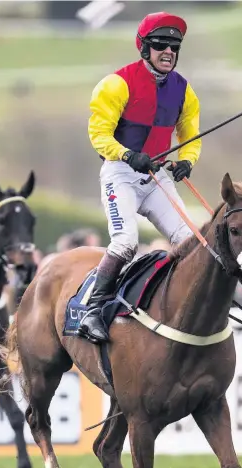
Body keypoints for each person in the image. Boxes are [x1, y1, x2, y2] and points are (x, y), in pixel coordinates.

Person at [77, 11, 202, 344]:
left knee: (190, 243)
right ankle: (92, 309)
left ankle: (186, 309)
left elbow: (191, 134)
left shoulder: (183, 91)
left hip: (157, 176)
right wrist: (128, 155)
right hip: (121, 173)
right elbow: (98, 134)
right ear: (143, 47)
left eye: (174, 47)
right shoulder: (116, 84)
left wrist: (186, 161)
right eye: (161, 45)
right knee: (126, 242)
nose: (168, 52)